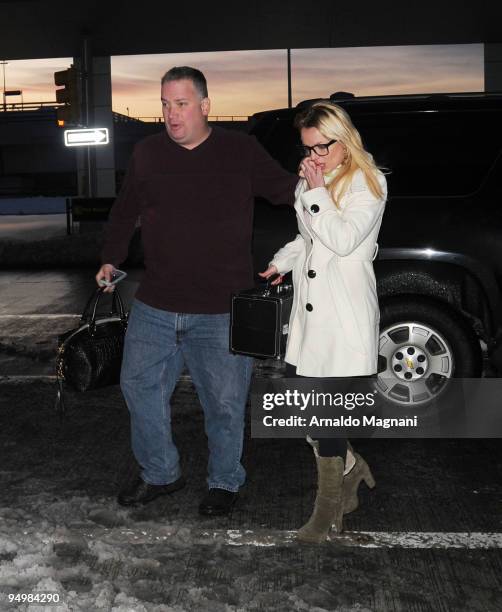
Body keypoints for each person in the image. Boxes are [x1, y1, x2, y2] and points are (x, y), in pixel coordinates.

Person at [96, 66, 298, 516]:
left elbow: (285, 189)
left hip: (220, 308)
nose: (171, 113)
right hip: (156, 303)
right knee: (138, 387)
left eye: (181, 103)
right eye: (165, 104)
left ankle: (225, 480)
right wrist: (111, 256)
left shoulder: (239, 150)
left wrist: (327, 181)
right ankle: (161, 472)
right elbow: (125, 209)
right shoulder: (148, 154)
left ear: (206, 106)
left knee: (224, 404)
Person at [260, 100, 387, 542]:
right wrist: (283, 261)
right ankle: (352, 469)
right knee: (305, 410)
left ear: (343, 140)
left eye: (321, 148)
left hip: (343, 315)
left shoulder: (366, 183)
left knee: (326, 417)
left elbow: (344, 239)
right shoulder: (315, 181)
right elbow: (308, 237)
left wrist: (314, 191)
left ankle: (326, 514)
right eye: (307, 148)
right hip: (311, 315)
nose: (313, 156)